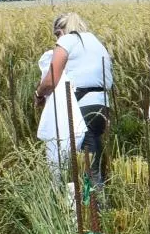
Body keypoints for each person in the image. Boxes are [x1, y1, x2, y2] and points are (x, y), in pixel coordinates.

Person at [35, 13, 114, 187]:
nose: (56, 39)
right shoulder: (95, 41)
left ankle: (93, 210)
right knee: (92, 158)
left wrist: (39, 94)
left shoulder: (67, 40)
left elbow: (51, 78)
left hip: (82, 108)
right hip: (103, 106)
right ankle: (91, 206)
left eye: (56, 34)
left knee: (86, 168)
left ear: (62, 30)